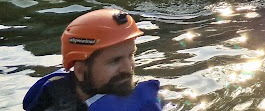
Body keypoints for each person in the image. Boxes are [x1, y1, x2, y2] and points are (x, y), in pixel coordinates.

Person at [22, 8, 162, 110]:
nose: (128, 68)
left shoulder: (146, 103)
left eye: (131, 55)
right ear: (80, 70)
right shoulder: (51, 101)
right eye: (115, 61)